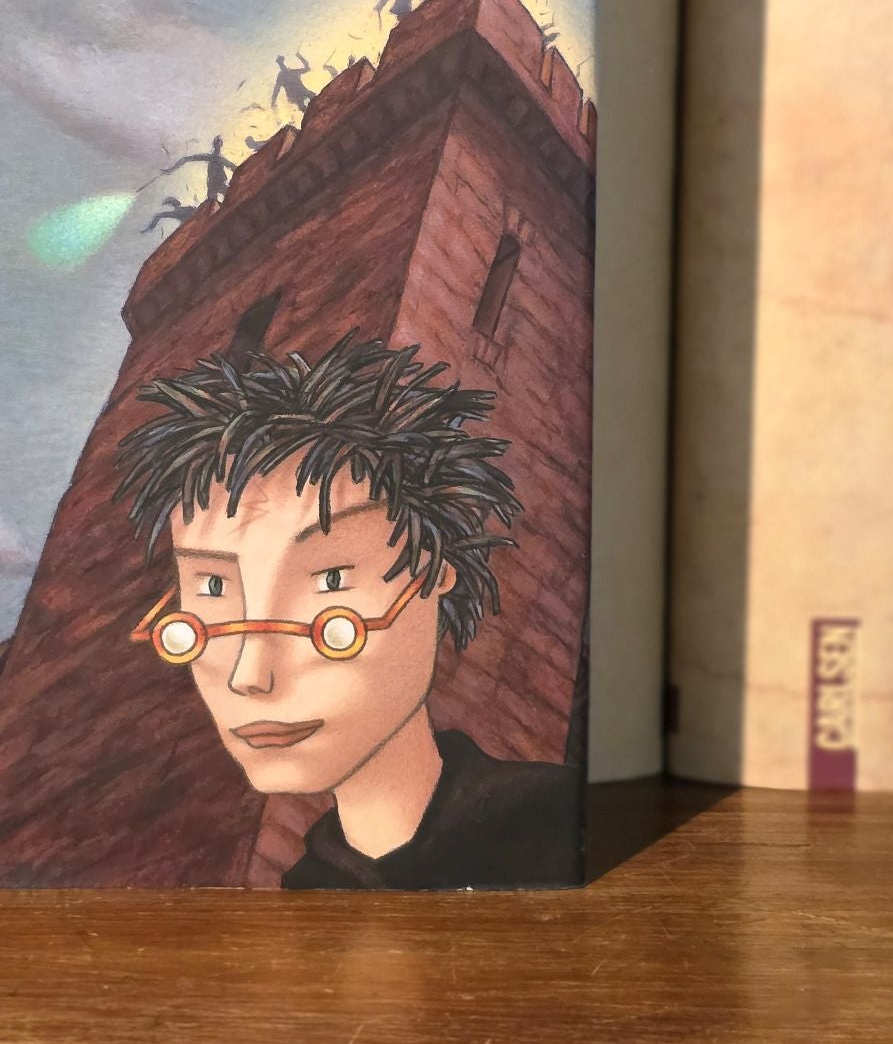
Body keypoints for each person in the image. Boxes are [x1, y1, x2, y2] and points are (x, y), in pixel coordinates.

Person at [114, 333, 581, 889]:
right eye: (213, 587)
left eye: (331, 581)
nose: (250, 675)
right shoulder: (309, 890)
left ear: (434, 575)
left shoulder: (568, 828)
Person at [164, 135, 235, 207]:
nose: (218, 145)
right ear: (214, 144)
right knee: (212, 203)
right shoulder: (210, 157)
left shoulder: (220, 159)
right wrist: (171, 169)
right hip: (212, 184)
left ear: (221, 145)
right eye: (217, 142)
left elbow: (234, 168)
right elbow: (186, 159)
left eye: (219, 143)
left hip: (221, 182)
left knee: (230, 197)